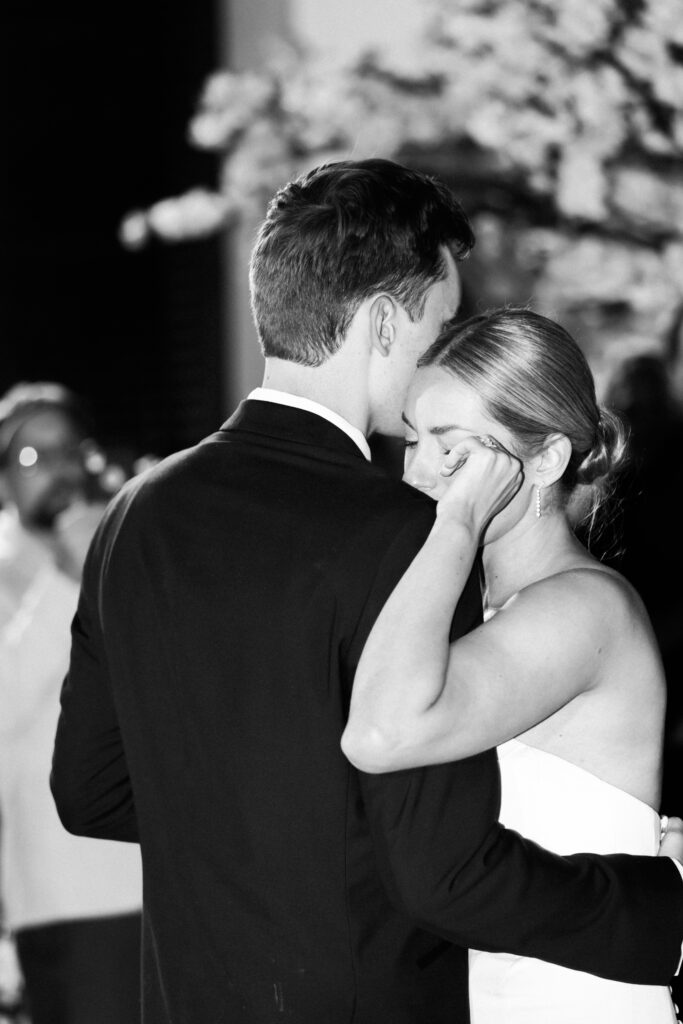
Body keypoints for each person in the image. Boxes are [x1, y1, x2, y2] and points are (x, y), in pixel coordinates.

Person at [50, 160, 683, 1024]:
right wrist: (661, 913)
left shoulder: (136, 512)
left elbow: (90, 793)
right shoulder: (406, 531)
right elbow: (438, 870)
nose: (446, 346)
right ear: (387, 321)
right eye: (442, 319)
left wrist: (257, 818)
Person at [341, 307, 681, 1021]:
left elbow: (380, 733)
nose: (420, 472)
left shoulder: (583, 607)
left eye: (452, 450)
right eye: (411, 441)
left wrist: (457, 521)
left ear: (546, 460)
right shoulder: (486, 604)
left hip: (584, 1000)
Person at [0, 382, 143, 1024]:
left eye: (67, 448)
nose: (57, 467)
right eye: (32, 457)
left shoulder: (124, 543)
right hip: (63, 900)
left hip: (157, 877)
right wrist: (69, 574)